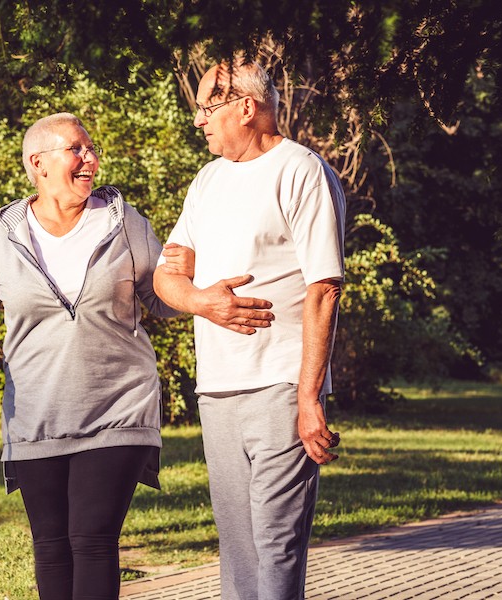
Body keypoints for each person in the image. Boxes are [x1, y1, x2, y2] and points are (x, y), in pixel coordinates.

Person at [0, 113, 268, 599]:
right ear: (39, 163)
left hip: (118, 407)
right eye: (77, 149)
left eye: (91, 148)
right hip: (35, 414)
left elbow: (160, 295)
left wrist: (201, 293)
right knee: (50, 545)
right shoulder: (2, 232)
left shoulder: (122, 221)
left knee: (92, 539)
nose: (91, 159)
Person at [154, 59, 346, 600]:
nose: (199, 121)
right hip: (217, 387)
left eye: (207, 107)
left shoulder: (301, 171)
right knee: (238, 547)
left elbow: (324, 288)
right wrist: (202, 303)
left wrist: (309, 398)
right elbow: (169, 274)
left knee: (276, 542)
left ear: (246, 106)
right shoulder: (207, 180)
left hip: (281, 383)